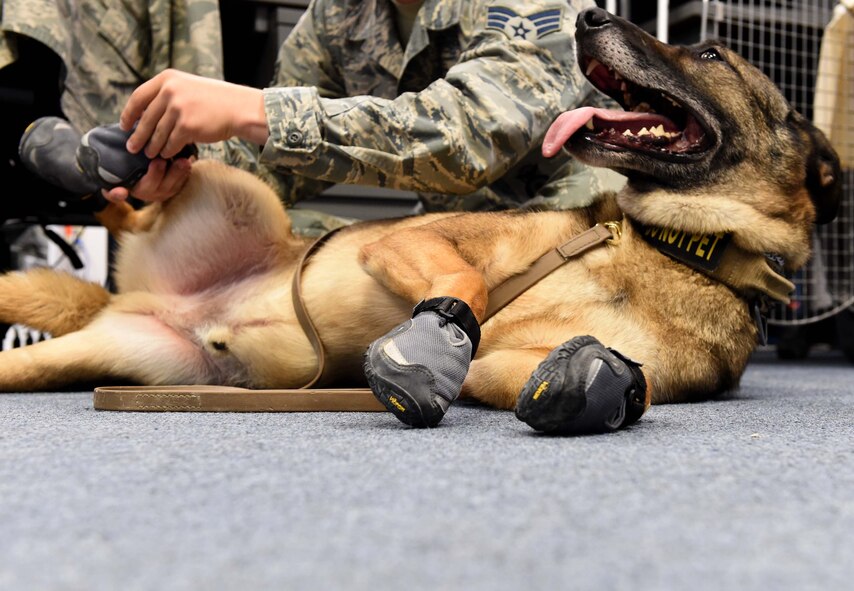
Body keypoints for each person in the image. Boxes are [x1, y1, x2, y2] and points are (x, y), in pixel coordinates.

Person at [98, 0, 624, 225]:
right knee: (277, 239)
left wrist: (250, 108)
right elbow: (278, 162)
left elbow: (462, 142)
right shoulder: (339, 13)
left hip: (570, 227)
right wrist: (183, 170)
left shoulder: (532, 3)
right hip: (451, 237)